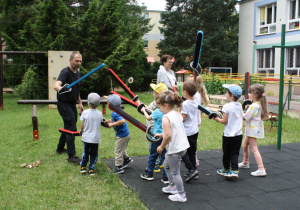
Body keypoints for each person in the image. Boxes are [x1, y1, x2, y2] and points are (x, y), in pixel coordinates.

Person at [156, 90, 190, 202]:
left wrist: (161, 147)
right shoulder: (176, 114)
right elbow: (172, 130)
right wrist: (161, 134)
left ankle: (181, 194)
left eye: (160, 107)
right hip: (183, 147)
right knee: (166, 165)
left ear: (165, 105)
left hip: (175, 150)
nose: (159, 110)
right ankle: (172, 186)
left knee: (175, 172)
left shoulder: (166, 117)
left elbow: (168, 135)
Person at [54, 51, 84, 164]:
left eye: (80, 61)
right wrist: (61, 88)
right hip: (63, 103)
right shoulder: (65, 72)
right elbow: (56, 85)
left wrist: (80, 103)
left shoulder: (78, 73)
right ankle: (72, 155)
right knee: (72, 126)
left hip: (72, 104)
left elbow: (77, 90)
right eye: (76, 61)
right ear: (70, 60)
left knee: (69, 125)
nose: (78, 63)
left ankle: (60, 148)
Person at [140, 82, 168, 184]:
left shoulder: (156, 111)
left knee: (152, 155)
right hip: (165, 137)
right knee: (165, 157)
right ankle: (165, 177)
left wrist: (143, 110)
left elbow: (148, 117)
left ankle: (150, 173)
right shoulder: (167, 111)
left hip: (156, 136)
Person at [214, 84, 243, 179]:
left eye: (227, 92)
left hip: (228, 135)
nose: (226, 94)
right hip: (238, 134)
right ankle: (234, 170)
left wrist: (217, 119)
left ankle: (226, 169)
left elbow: (225, 121)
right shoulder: (239, 105)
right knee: (235, 152)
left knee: (226, 153)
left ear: (232, 95)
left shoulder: (226, 106)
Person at [239, 84, 268, 177]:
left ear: (255, 95)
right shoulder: (257, 104)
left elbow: (245, 117)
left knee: (254, 149)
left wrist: (241, 109)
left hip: (252, 130)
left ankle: (261, 169)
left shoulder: (253, 106)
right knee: (244, 145)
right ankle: (245, 162)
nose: (248, 95)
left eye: (250, 93)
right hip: (254, 128)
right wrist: (248, 109)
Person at [106, 94, 133, 174]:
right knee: (121, 148)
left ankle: (118, 167)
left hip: (122, 135)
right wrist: (110, 121)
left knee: (118, 151)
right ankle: (127, 159)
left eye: (108, 103)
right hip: (125, 134)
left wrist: (112, 124)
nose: (107, 104)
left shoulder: (114, 113)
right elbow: (117, 119)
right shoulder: (118, 111)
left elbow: (122, 121)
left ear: (112, 105)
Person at [180, 80, 199, 182]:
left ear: (185, 92)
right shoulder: (195, 101)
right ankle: (194, 170)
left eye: (182, 90)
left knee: (183, 152)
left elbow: (183, 118)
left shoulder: (185, 104)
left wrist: (178, 113)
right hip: (194, 131)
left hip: (186, 131)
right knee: (192, 152)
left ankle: (191, 169)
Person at [80, 93, 102, 176]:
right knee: (93, 153)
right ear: (98, 103)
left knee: (85, 152)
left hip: (86, 138)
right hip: (95, 139)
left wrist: (82, 132)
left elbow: (82, 125)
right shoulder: (99, 114)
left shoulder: (85, 113)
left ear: (88, 103)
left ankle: (83, 167)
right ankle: (91, 169)